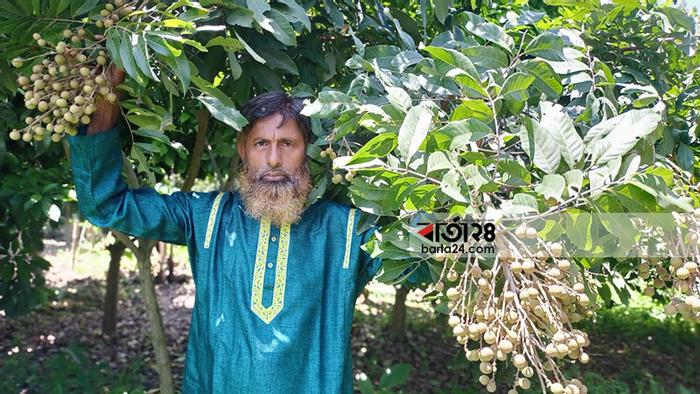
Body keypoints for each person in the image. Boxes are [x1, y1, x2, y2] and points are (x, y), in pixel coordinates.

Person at [68, 67, 429, 393]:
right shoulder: (206, 218)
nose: (274, 159)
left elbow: (421, 256)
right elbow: (106, 204)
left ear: (309, 152)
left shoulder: (346, 229)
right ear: (243, 149)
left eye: (287, 144)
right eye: (261, 144)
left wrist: (480, 214)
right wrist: (104, 99)